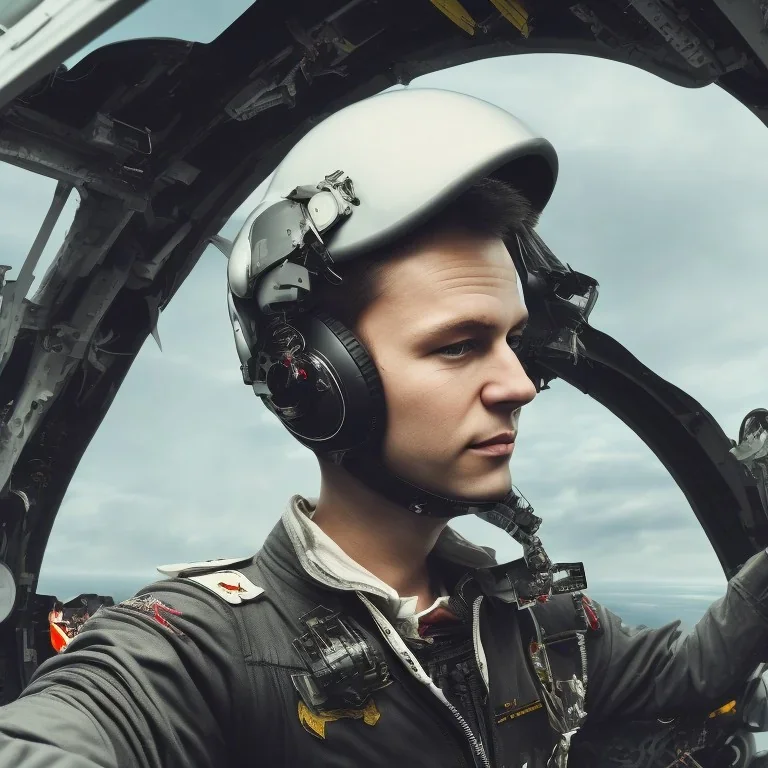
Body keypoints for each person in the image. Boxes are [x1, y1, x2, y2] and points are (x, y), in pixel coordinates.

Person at [0, 87, 767, 768]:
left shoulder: (537, 619)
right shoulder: (193, 649)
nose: (518, 384)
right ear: (319, 382)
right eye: (459, 345)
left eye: (514, 343)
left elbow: (695, 669)